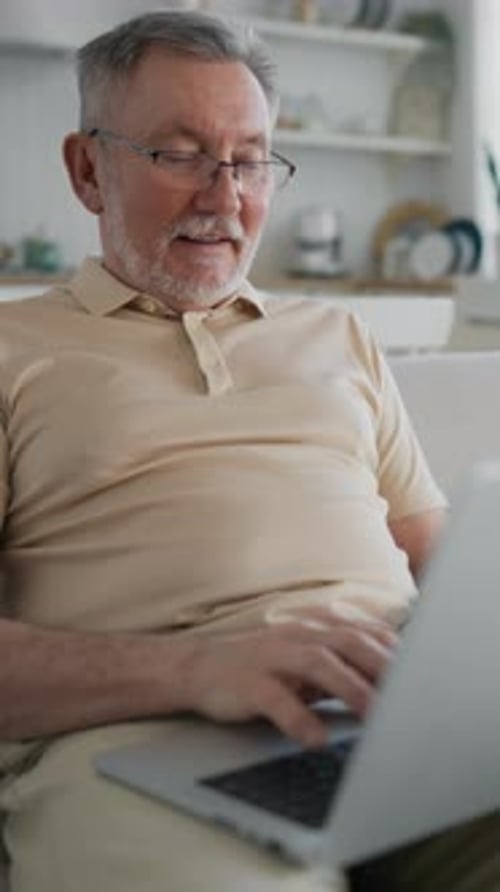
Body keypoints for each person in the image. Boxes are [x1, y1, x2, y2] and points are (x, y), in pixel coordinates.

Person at [0, 10, 496, 892]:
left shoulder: (340, 336)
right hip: (142, 745)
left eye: (251, 159)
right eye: (179, 153)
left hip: (393, 727)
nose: (224, 197)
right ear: (87, 170)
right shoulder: (14, 353)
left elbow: (453, 570)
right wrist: (197, 669)